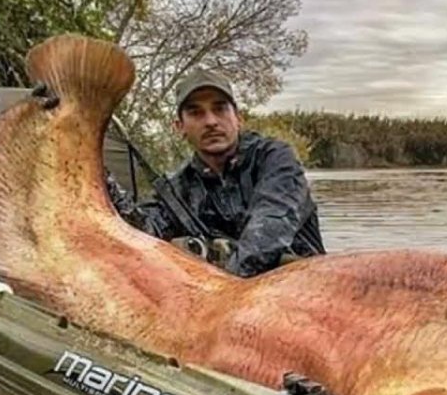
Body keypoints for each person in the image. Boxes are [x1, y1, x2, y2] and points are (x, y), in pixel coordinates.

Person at [110, 68, 325, 277]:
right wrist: (105, 183)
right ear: (179, 127)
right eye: (196, 113)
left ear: (238, 118)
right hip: (228, 301)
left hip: (303, 291)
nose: (211, 121)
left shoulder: (276, 159)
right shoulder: (177, 190)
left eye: (220, 108)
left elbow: (269, 230)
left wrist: (226, 288)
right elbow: (140, 230)